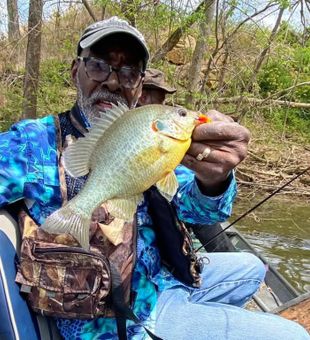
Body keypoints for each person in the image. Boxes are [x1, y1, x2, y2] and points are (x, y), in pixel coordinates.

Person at [0, 16, 308, 340]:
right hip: (127, 319)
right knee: (294, 335)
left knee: (252, 267)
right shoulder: (31, 145)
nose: (113, 81)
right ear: (76, 71)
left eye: (129, 71)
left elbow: (202, 211)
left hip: (163, 277)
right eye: (99, 65)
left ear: (140, 84)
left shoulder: (147, 133)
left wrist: (215, 179)